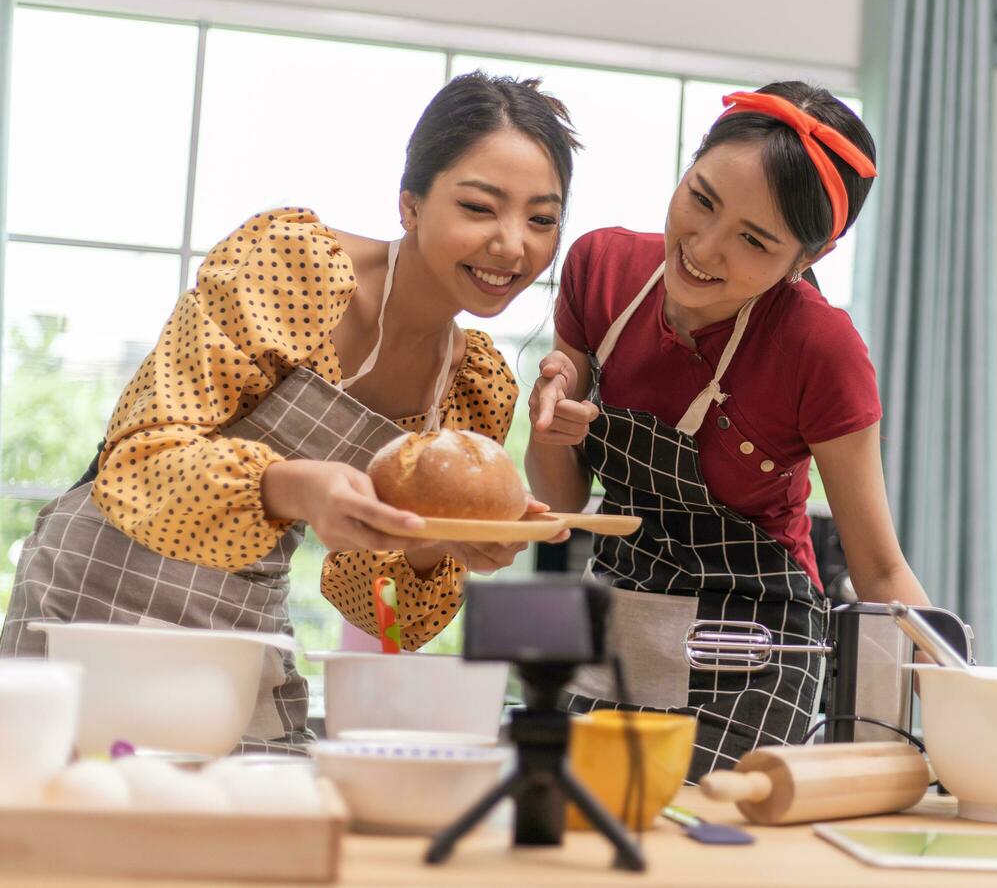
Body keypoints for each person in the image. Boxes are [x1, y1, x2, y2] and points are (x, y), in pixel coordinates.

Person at [0, 72, 576, 752]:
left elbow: (382, 612)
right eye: (480, 208)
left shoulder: (471, 387)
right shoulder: (292, 267)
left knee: (256, 827)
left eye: (541, 219)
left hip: (243, 619)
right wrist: (293, 485)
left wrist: (435, 542)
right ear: (410, 205)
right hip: (98, 591)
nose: (513, 245)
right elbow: (141, 457)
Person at [525, 82, 932, 776]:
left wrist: (993, 719)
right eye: (702, 199)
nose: (704, 249)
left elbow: (881, 568)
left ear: (808, 258)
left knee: (703, 836)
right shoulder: (601, 270)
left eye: (754, 239)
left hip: (753, 644)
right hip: (619, 614)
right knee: (580, 825)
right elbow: (563, 506)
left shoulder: (820, 348)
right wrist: (550, 421)